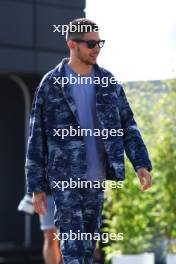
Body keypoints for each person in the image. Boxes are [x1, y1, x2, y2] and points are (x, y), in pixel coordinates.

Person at [25, 18, 153, 264]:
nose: (97, 48)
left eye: (99, 43)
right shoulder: (52, 84)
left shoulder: (108, 82)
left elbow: (128, 124)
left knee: (86, 249)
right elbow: (37, 135)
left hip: (96, 180)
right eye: (91, 43)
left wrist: (141, 164)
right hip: (64, 179)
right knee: (72, 248)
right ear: (72, 43)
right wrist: (36, 185)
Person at [18, 194, 62, 264]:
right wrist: (36, 191)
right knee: (51, 238)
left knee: (68, 239)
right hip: (47, 195)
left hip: (72, 193)